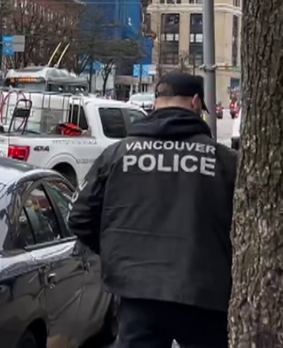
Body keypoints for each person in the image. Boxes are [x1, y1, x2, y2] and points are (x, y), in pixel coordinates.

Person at [69, 73, 237, 348]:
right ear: (196, 102)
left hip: (137, 293)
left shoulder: (117, 155)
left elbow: (79, 217)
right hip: (204, 292)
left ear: (157, 102)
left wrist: (118, 253)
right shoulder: (224, 161)